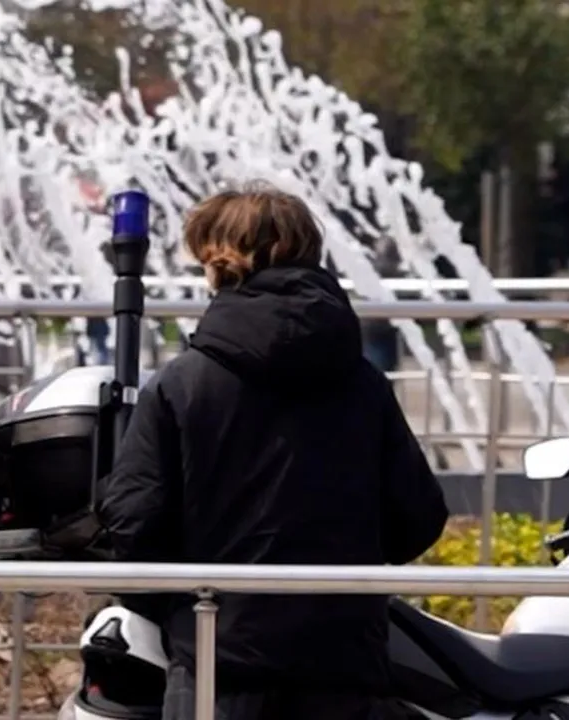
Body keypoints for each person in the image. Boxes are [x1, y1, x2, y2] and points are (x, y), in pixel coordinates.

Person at [95, 183, 449, 720]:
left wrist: (178, 611)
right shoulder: (363, 382)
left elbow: (133, 528)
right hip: (345, 664)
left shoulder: (181, 385)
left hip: (220, 661)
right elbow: (418, 519)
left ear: (222, 263)